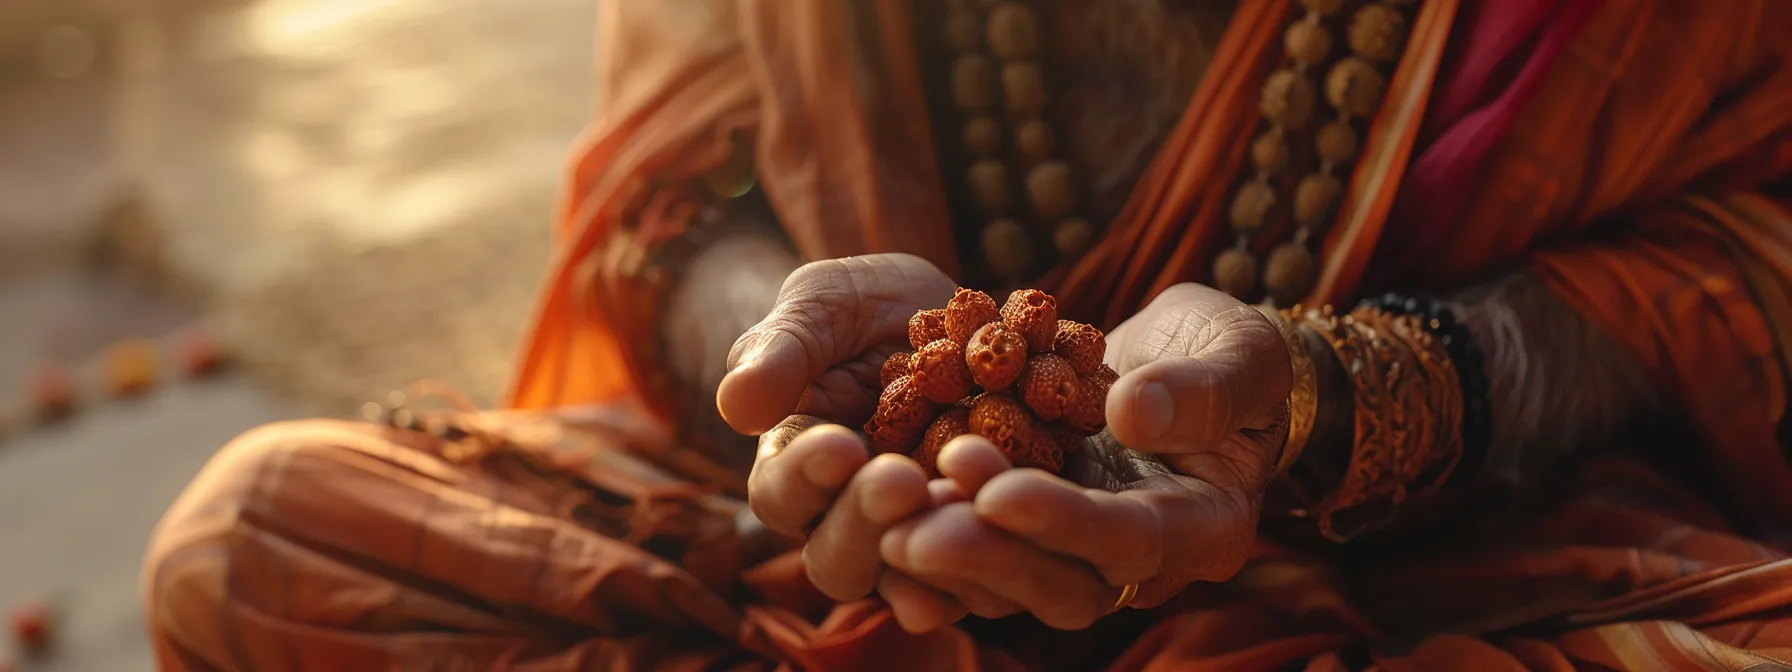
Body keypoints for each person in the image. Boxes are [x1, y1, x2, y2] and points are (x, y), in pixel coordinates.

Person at [141, 0, 1792, 669]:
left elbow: (1742, 258)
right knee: (261, 538)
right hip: (829, 558)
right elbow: (683, 196)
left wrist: (1333, 396)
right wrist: (792, 400)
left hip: (1442, 570)